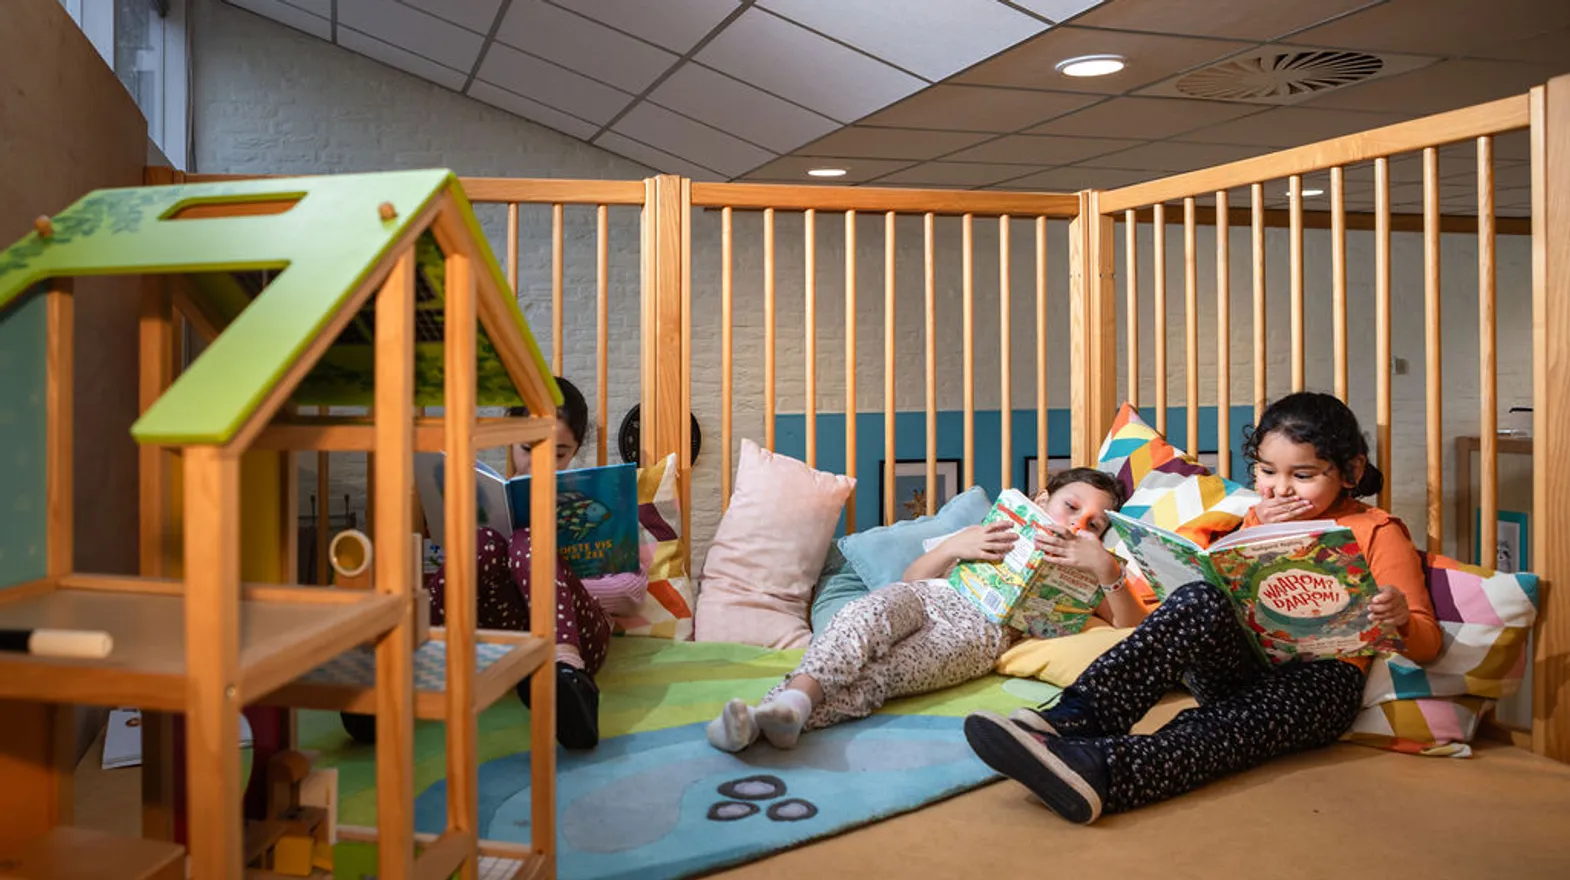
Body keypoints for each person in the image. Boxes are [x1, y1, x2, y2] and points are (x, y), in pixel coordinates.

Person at [963, 392, 1442, 824]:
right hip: (1240, 666)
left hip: (1317, 684)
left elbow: (1427, 641)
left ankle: (1102, 770)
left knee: (1219, 728)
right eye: (1267, 472)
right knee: (1199, 597)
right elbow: (1225, 589)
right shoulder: (1253, 516)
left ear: (1351, 473)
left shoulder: (1378, 530)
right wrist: (1252, 534)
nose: (1280, 489)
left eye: (1304, 475)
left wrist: (1398, 617)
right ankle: (1075, 717)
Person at [706, 468, 1138, 753]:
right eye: (1072, 507)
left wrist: (1105, 567)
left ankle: (778, 716)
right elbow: (911, 580)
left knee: (883, 675)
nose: (1079, 523)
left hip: (979, 636)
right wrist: (955, 546)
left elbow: (1130, 625)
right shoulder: (990, 530)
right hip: (928, 597)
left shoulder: (1091, 571)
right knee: (866, 617)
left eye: (1095, 524)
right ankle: (792, 699)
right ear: (1042, 499)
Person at [342, 376, 640, 750]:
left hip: (579, 638)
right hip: (500, 639)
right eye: (528, 447)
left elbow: (633, 593)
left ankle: (569, 681)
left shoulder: (599, 496)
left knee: (527, 540)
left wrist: (559, 577)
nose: (540, 461)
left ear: (577, 449)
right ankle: (397, 672)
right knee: (484, 541)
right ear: (510, 441)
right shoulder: (490, 495)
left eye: (560, 451)